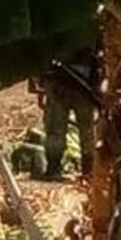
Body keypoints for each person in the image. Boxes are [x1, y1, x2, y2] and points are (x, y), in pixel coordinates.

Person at [37, 48, 98, 180]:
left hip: (60, 82)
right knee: (86, 130)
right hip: (82, 82)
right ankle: (88, 172)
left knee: (56, 130)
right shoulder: (90, 32)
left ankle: (54, 170)